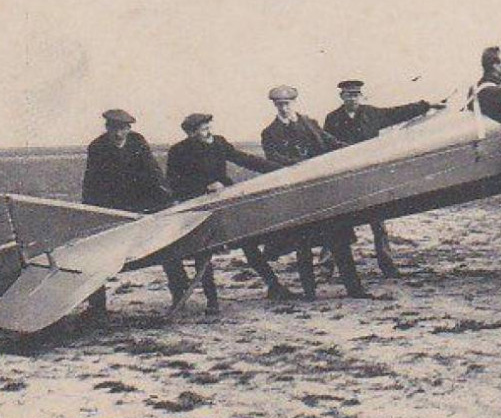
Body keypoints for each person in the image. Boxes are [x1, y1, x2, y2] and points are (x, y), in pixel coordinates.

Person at [166, 113, 297, 309]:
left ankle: (274, 286)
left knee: (248, 241)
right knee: (204, 252)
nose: (208, 132)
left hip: (226, 200)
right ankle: (212, 301)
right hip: (199, 207)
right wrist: (205, 185)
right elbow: (174, 183)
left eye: (209, 127)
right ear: (191, 133)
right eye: (203, 129)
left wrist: (279, 170)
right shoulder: (178, 151)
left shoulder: (218, 142)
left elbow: (244, 159)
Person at [260, 85, 367, 299]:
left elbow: (329, 142)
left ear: (294, 103)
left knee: (340, 242)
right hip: (297, 197)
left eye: (287, 104)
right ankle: (310, 293)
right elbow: (273, 160)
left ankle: (355, 289)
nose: (284, 108)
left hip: (323, 194)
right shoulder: (270, 133)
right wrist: (303, 166)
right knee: (303, 247)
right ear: (274, 105)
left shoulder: (309, 123)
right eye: (279, 105)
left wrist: (354, 151)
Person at [323, 79, 438, 278]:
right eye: (349, 95)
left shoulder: (372, 114)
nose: (353, 98)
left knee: (378, 222)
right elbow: (325, 147)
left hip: (369, 178)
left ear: (361, 96)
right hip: (344, 179)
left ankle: (387, 264)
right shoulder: (332, 119)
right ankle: (327, 265)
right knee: (337, 223)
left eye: (356, 94)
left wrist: (425, 105)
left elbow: (397, 113)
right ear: (341, 96)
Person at [80, 109, 187, 319]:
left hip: (143, 200)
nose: (118, 133)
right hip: (114, 205)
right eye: (114, 128)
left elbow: (152, 171)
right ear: (107, 128)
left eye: (122, 129)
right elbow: (92, 180)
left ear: (129, 128)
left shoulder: (137, 142)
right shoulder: (97, 147)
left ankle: (179, 290)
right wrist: (90, 210)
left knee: (165, 243)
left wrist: (167, 197)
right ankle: (97, 306)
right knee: (99, 252)